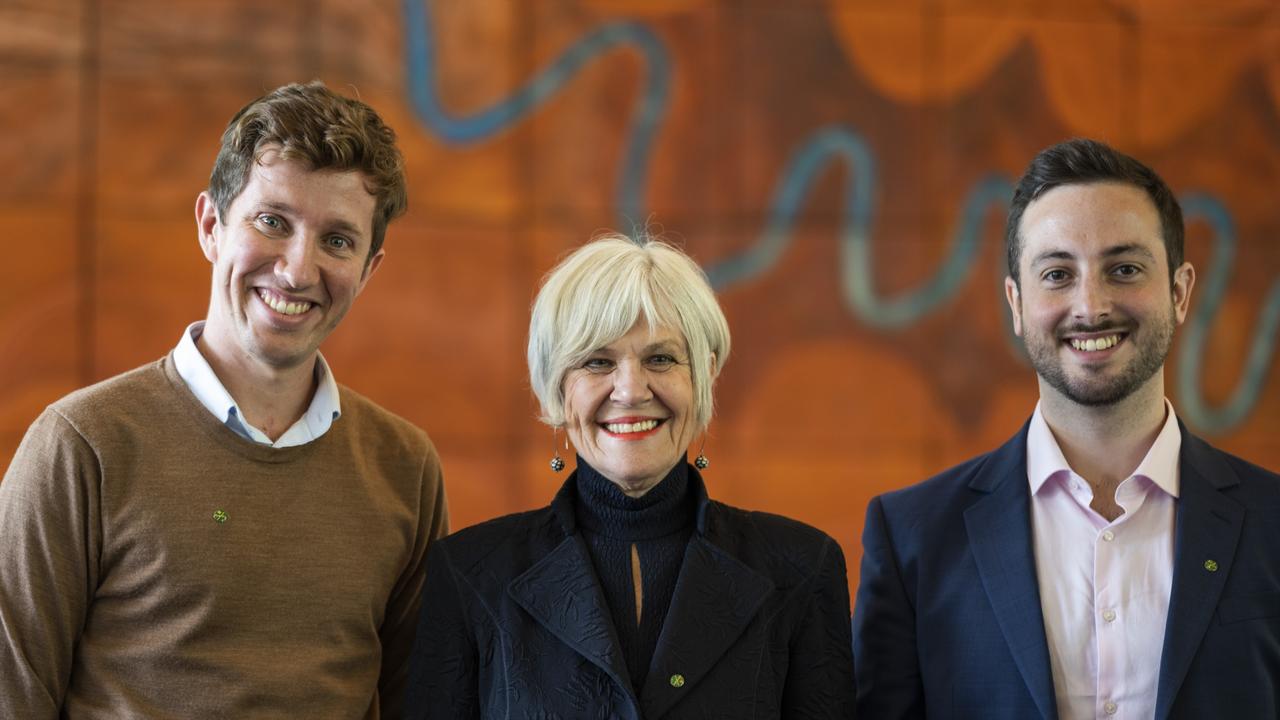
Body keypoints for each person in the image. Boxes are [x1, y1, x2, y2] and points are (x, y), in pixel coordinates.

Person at [0, 81, 448, 718]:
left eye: (337, 240)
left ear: (369, 269)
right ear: (211, 225)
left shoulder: (405, 467)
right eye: (272, 222)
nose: (297, 270)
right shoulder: (82, 443)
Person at [852, 138, 1280, 719]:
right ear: (1017, 303)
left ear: (1180, 293)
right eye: (1057, 273)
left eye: (1124, 268)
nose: (1090, 305)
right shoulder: (914, 540)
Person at [406, 234, 856, 718]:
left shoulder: (802, 568)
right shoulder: (470, 573)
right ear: (557, 390)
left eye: (660, 359)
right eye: (598, 362)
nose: (630, 390)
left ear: (703, 377)